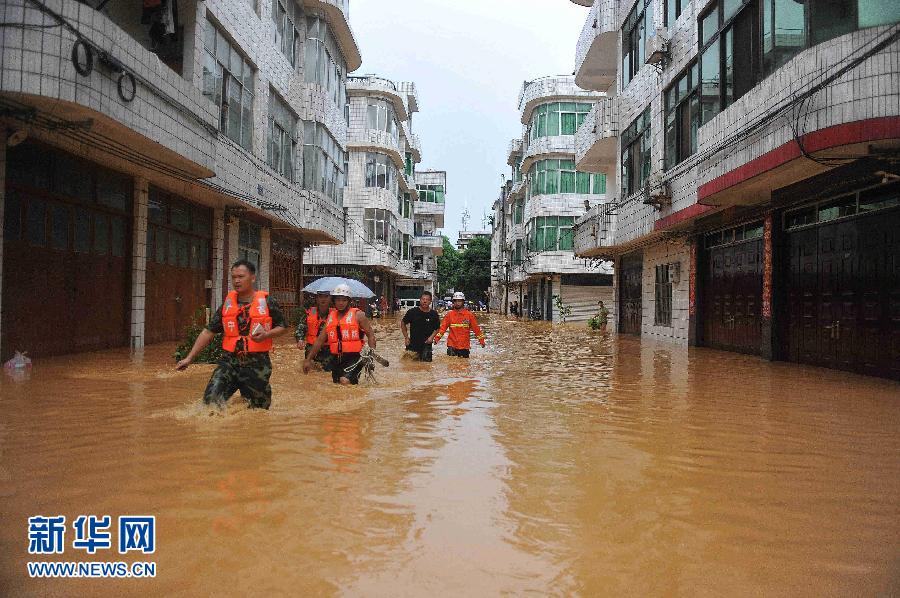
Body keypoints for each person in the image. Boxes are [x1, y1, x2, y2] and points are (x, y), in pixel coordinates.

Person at [176, 259, 287, 410]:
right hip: (229, 362)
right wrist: (189, 358)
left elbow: (283, 327)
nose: (236, 281)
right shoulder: (228, 304)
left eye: (241, 277)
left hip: (257, 365)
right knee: (211, 403)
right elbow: (209, 331)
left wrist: (266, 335)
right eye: (234, 277)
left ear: (253, 278)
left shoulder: (267, 302)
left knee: (258, 413)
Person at [303, 284, 377, 385]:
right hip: (336, 358)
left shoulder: (359, 315)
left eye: (344, 300)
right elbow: (320, 340)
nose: (340, 303)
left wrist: (371, 357)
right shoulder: (330, 318)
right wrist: (308, 359)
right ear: (334, 301)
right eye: (338, 300)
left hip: (355, 357)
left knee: (344, 381)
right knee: (337, 385)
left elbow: (371, 335)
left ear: (349, 301)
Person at [433, 292, 485, 358]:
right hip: (452, 345)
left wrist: (481, 340)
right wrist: (437, 338)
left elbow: (476, 329)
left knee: (464, 366)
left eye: (459, 301)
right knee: (451, 365)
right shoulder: (449, 315)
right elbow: (442, 329)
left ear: (463, 302)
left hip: (464, 346)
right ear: (453, 302)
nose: (457, 303)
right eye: (456, 301)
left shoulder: (469, 315)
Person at [295, 290, 334, 371]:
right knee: (309, 373)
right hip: (311, 348)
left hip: (328, 351)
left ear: (330, 298)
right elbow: (300, 328)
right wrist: (300, 339)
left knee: (326, 374)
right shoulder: (309, 313)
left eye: (326, 297)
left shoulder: (336, 314)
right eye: (320, 297)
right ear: (316, 298)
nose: (323, 299)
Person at [400, 291, 441, 362]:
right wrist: (406, 337)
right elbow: (403, 323)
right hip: (412, 344)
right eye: (423, 299)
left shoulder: (434, 314)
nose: (425, 301)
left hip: (427, 344)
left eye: (427, 299)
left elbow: (437, 328)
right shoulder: (412, 312)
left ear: (430, 301)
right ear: (420, 300)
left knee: (426, 367)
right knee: (409, 367)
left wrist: (431, 337)